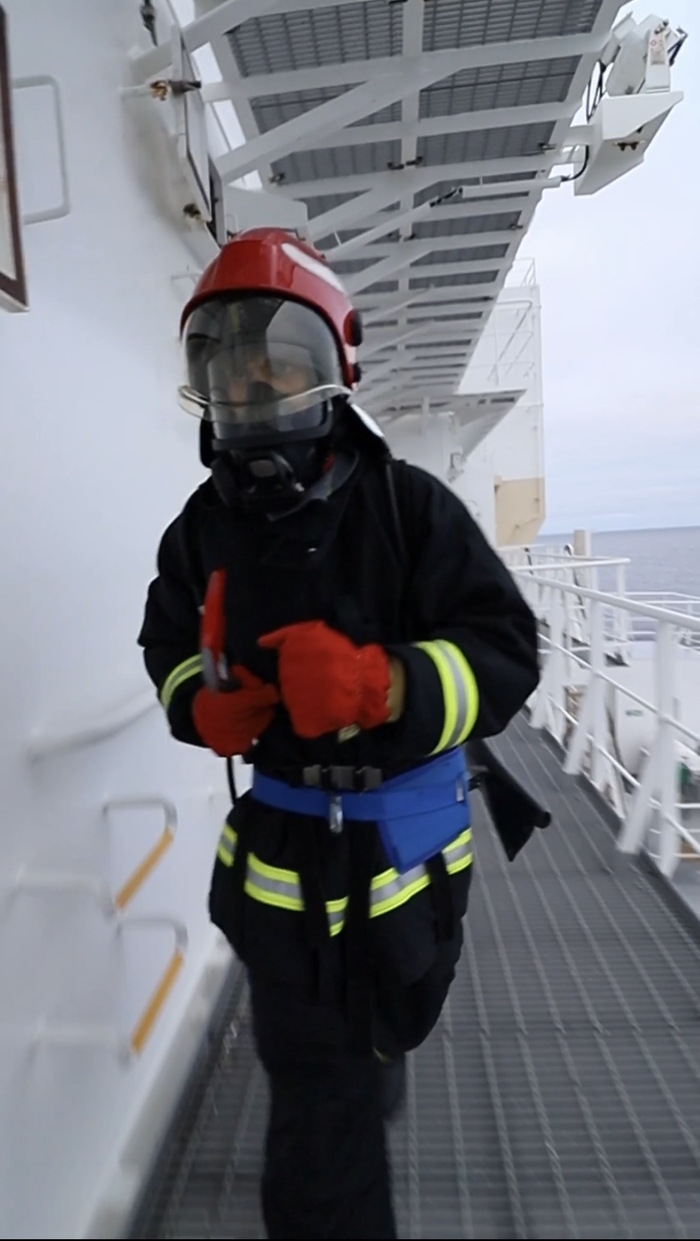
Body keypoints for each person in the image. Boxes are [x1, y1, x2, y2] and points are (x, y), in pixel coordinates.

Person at [137, 227, 540, 1240]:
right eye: (231, 369)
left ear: (332, 366)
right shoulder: (199, 529)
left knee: (377, 1039)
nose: (252, 387)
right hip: (282, 874)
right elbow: (167, 642)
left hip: (405, 866)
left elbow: (505, 651)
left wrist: (385, 682)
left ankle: (373, 1058)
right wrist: (195, 704)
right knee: (320, 1115)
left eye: (277, 362)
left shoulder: (408, 508)